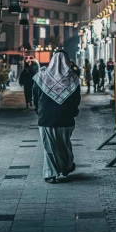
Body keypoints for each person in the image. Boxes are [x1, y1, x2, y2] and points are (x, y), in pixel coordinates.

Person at [33, 51, 81, 183]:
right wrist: (73, 112)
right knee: (64, 145)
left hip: (46, 119)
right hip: (66, 119)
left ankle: (50, 174)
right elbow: (77, 100)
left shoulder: (41, 77)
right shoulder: (73, 79)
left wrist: (40, 111)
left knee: (49, 147)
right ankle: (66, 166)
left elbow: (35, 98)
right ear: (67, 61)